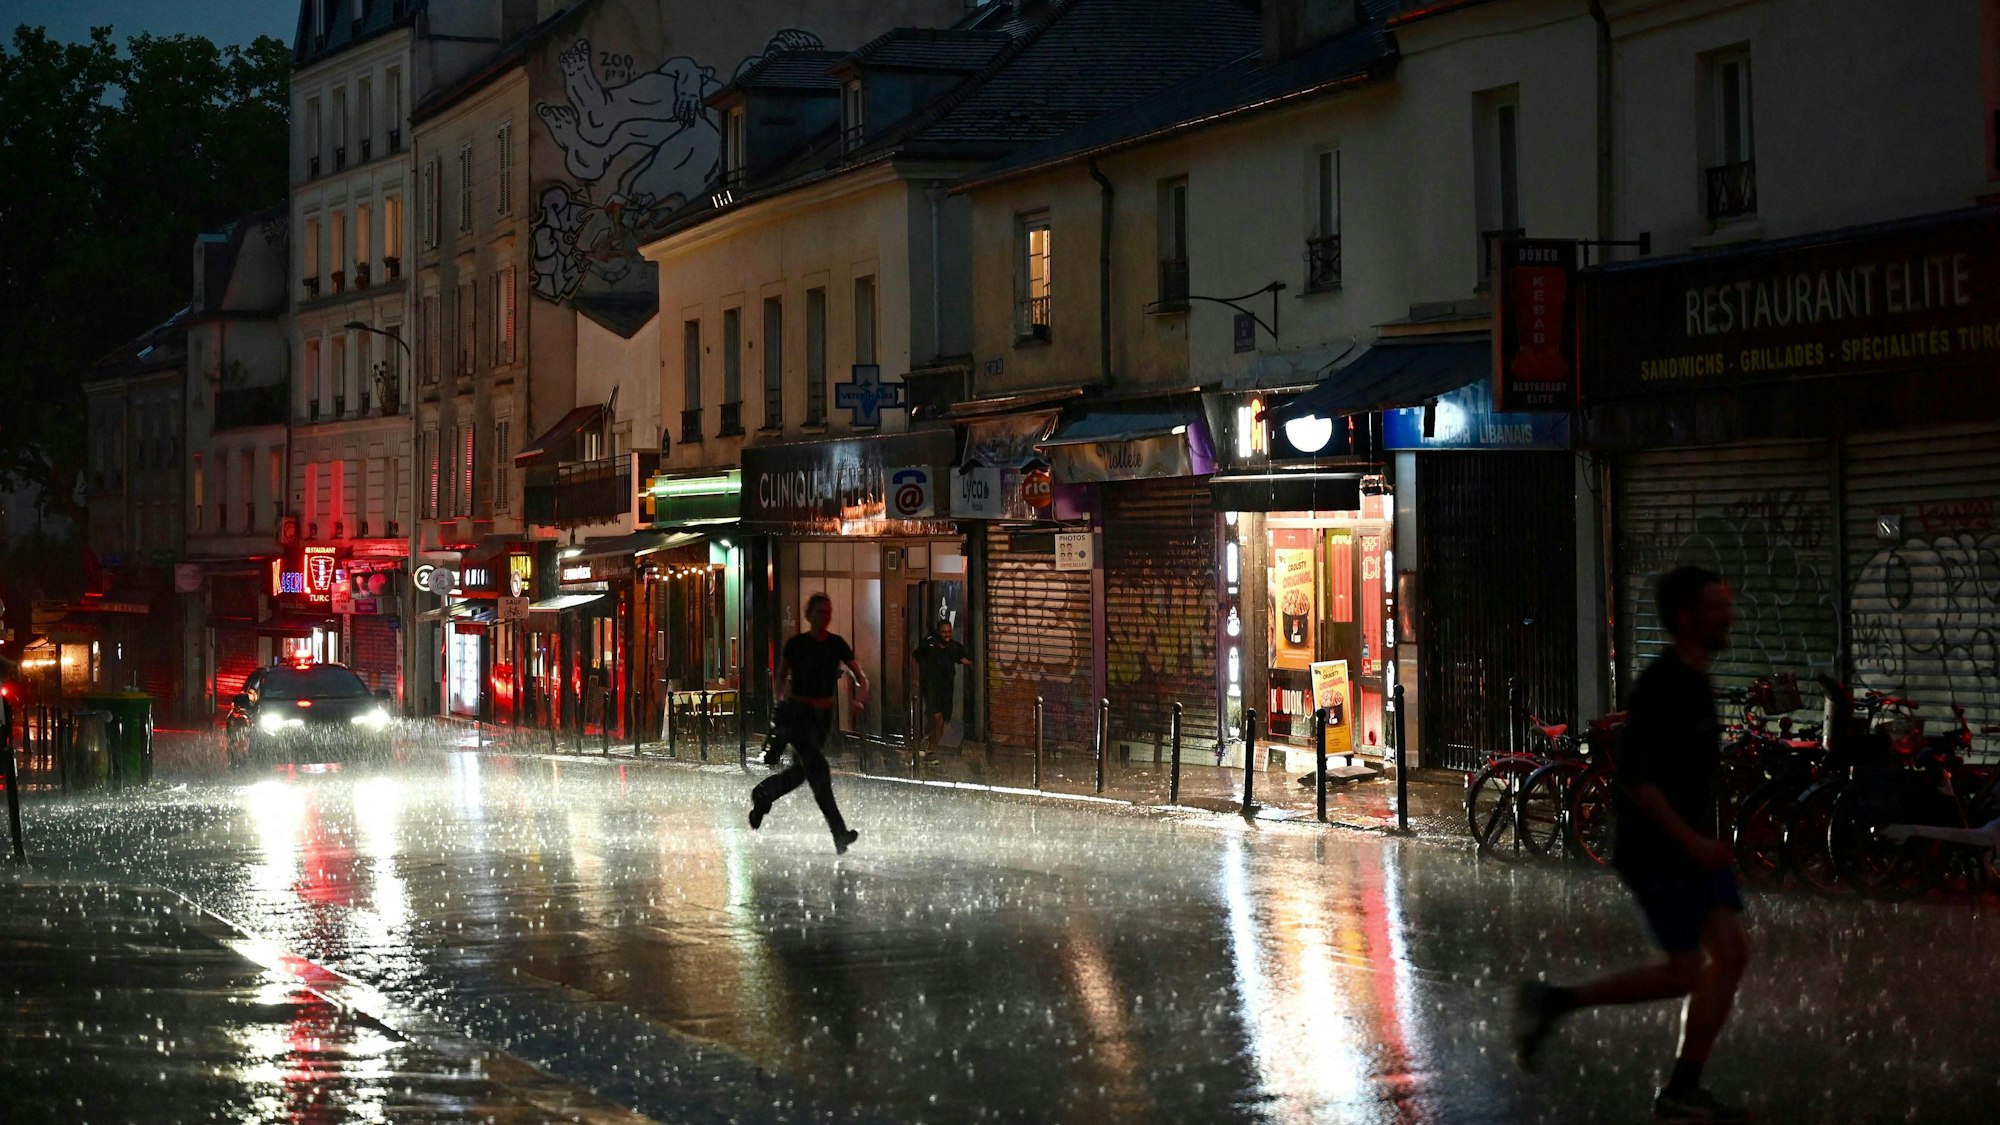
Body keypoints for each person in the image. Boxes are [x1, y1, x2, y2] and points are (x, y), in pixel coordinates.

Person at [1515, 566, 1750, 1124]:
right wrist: (1693, 842)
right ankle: (1556, 1002)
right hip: (1660, 850)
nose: (1727, 615)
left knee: (1732, 955)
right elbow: (1640, 783)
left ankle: (1684, 1087)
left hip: (1695, 846)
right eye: (1716, 607)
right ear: (1687, 617)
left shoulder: (1697, 679)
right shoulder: (1664, 685)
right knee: (1684, 972)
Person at [749, 592, 868, 854]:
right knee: (819, 771)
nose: (823, 617)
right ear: (808, 615)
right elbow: (780, 678)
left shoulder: (836, 644)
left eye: (827, 612)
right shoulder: (797, 644)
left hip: (823, 718)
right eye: (819, 612)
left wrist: (859, 700)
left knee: (801, 773)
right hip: (799, 715)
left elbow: (860, 676)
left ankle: (763, 794)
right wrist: (780, 705)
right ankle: (839, 833)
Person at [911, 619, 970, 760]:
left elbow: (966, 659)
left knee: (941, 721)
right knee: (936, 717)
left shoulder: (955, 647)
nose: (947, 635)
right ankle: (925, 742)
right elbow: (915, 658)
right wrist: (915, 678)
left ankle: (929, 749)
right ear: (938, 632)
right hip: (931, 687)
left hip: (947, 689)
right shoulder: (929, 644)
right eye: (944, 632)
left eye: (949, 632)